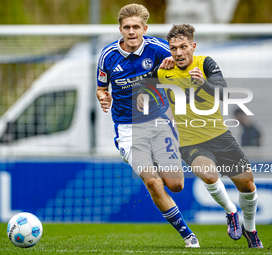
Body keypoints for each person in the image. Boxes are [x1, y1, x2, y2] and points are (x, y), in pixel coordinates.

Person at [137, 24, 263, 248]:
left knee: (248, 186)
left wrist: (202, 83)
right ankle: (231, 212)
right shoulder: (162, 69)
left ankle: (251, 230)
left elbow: (224, 94)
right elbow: (144, 89)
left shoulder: (205, 63)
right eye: (173, 48)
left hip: (220, 136)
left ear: (192, 46)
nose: (178, 53)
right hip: (190, 142)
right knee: (209, 175)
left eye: (183, 47)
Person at [96, 4, 200, 248]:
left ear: (145, 28)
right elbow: (101, 88)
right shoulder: (107, 56)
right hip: (127, 128)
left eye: (136, 27)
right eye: (127, 27)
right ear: (120, 29)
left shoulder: (159, 49)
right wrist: (103, 96)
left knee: (175, 184)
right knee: (152, 181)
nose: (131, 32)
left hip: (159, 121)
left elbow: (188, 66)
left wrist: (174, 68)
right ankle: (188, 236)